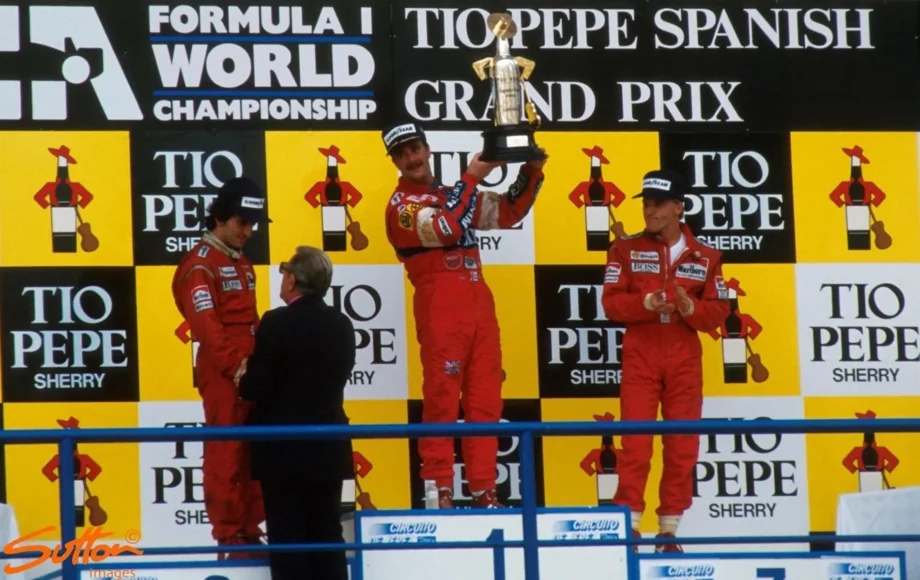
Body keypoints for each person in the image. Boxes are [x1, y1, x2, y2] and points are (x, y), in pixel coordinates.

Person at [380, 121, 547, 509]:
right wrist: (472, 176)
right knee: (441, 399)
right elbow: (447, 228)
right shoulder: (401, 208)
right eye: (402, 154)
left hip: (479, 303)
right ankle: (438, 490)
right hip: (440, 307)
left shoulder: (450, 194)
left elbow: (507, 213)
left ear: (427, 148)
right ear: (395, 162)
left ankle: (483, 490)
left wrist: (532, 169)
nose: (412, 158)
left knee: (485, 402)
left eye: (415, 148)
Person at [601, 169, 730, 553]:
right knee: (635, 443)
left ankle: (669, 530)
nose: (649, 211)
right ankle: (631, 527)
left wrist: (691, 308)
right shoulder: (623, 249)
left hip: (683, 354)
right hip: (641, 351)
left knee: (681, 445)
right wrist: (644, 303)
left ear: (678, 208)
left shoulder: (707, 256)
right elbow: (610, 304)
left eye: (658, 204)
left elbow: (718, 313)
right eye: (646, 203)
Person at [239, 246, 355, 580]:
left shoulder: (276, 322)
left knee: (288, 539)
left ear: (292, 280)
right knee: (327, 536)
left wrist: (242, 376)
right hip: (328, 447)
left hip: (283, 450)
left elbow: (256, 388)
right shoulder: (342, 324)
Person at [171, 176, 270, 559]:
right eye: (242, 222)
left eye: (252, 224)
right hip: (223, 370)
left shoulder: (241, 261)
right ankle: (228, 535)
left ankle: (248, 529)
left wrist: (261, 362)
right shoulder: (199, 264)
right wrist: (237, 368)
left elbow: (252, 319)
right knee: (226, 450)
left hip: (249, 366)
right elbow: (207, 326)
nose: (248, 231)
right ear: (220, 218)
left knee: (254, 450)